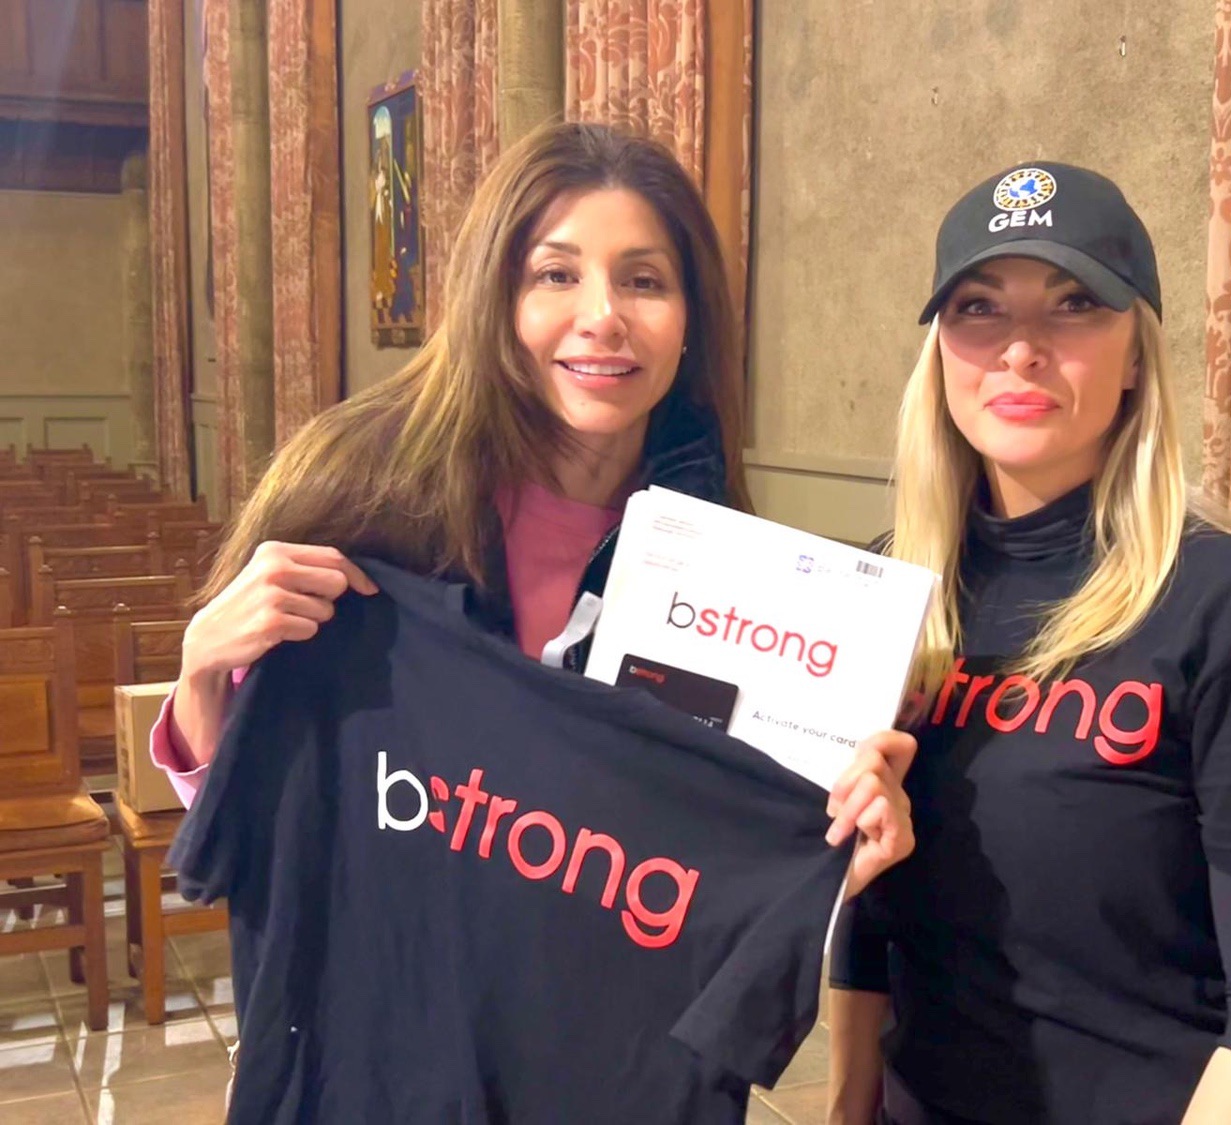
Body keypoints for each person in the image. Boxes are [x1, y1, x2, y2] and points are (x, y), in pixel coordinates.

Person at [151, 124, 914, 921]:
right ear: (496, 297)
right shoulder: (360, 495)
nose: (603, 316)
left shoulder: (726, 551)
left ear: (692, 317)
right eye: (556, 274)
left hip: (596, 984)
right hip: (388, 969)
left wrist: (833, 845)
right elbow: (244, 823)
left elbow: (713, 852)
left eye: (645, 281)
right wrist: (201, 677)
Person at [828, 163, 1231, 1125]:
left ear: (1135, 357)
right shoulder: (889, 591)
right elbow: (864, 923)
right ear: (940, 351)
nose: (1020, 349)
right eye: (979, 307)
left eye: (1074, 303)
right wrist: (844, 1108)